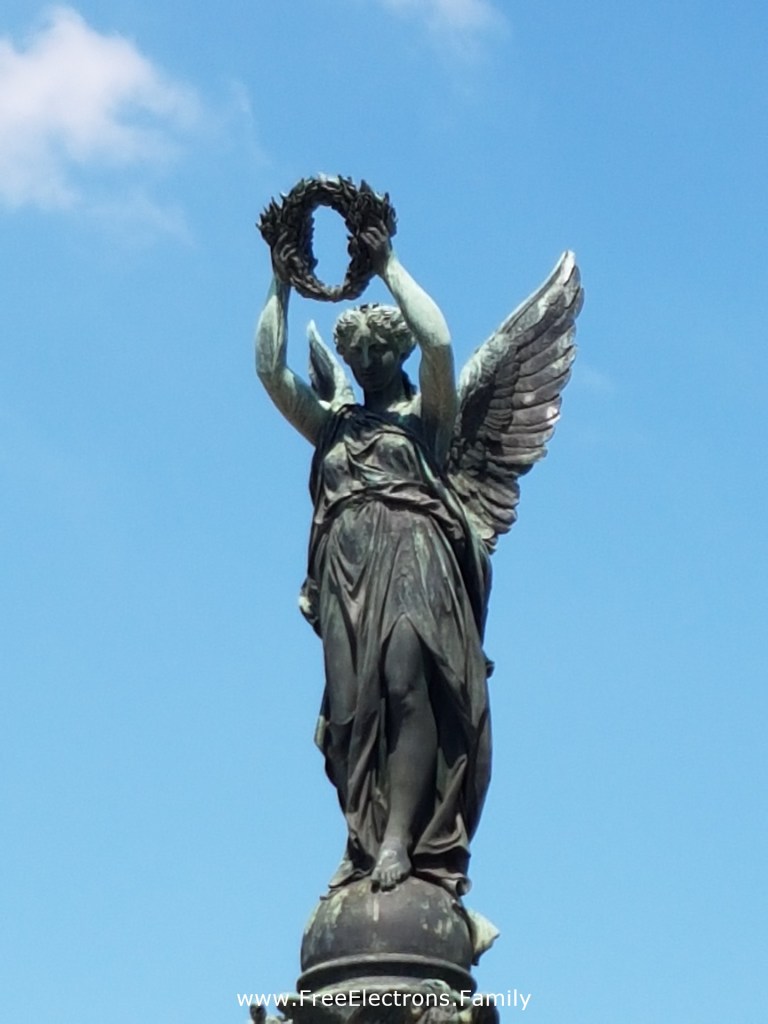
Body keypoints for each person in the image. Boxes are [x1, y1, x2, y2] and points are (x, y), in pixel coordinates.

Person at [256, 225, 491, 894]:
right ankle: (362, 835)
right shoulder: (332, 426)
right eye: (354, 355)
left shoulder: (426, 421)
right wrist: (280, 280)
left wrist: (387, 266)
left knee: (405, 683)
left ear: (395, 351)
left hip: (416, 557)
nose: (363, 364)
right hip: (346, 570)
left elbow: (442, 342)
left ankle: (398, 842)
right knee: (353, 713)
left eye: (376, 350)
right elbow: (270, 371)